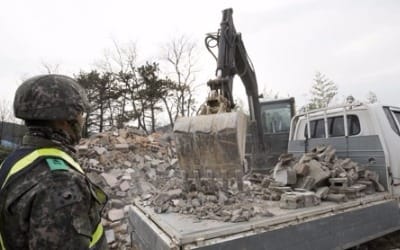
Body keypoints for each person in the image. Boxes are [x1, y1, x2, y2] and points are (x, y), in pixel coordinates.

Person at [0, 74, 108, 250]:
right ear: (66, 119)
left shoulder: (16, 161)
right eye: (80, 113)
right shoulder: (60, 182)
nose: (82, 119)